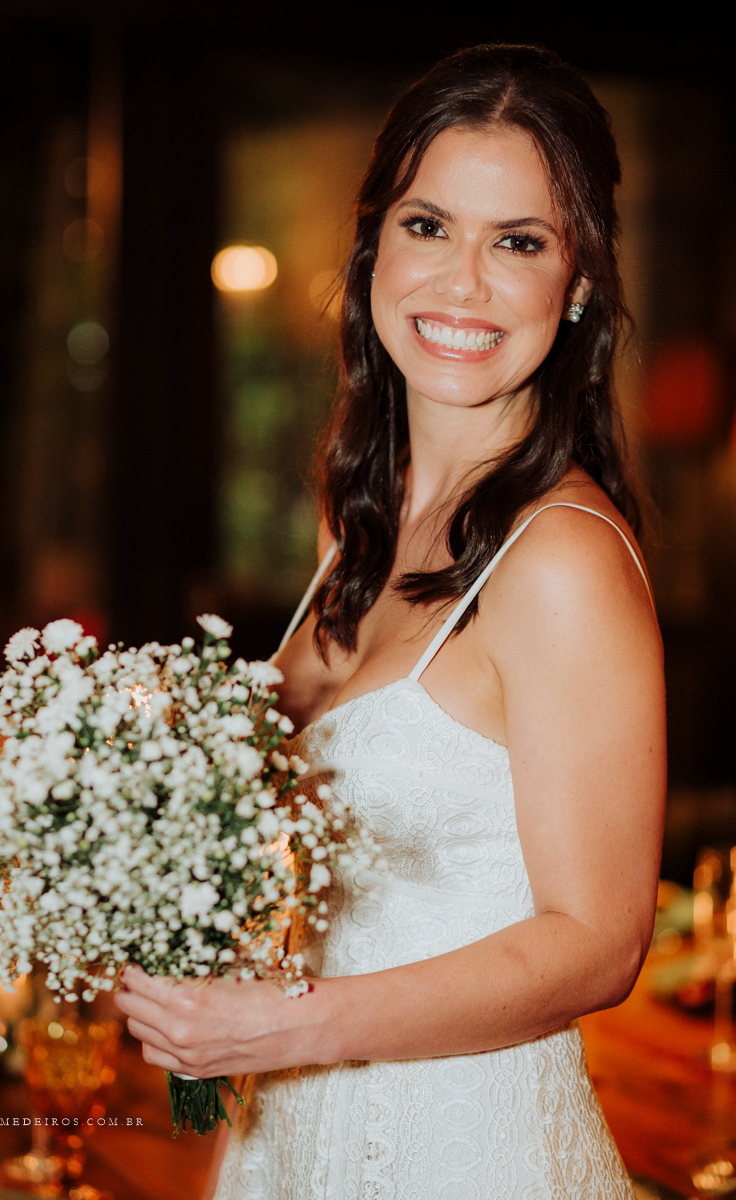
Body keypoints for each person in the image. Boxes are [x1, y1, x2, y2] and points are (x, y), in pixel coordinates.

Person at [116, 43, 666, 1198]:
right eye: (428, 227)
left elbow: (596, 940)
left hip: (464, 1153)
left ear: (573, 287)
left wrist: (285, 1029)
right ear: (374, 245)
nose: (459, 284)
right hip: (287, 1138)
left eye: (515, 242)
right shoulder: (361, 513)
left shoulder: (559, 559)